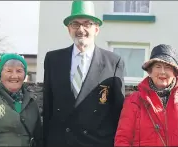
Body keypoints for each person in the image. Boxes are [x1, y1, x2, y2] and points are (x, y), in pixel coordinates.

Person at [42, 1, 125, 147]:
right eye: (75, 24)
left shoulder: (113, 62)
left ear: (96, 29)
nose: (81, 29)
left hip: (96, 142)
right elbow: (48, 106)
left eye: (87, 24)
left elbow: (117, 111)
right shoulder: (53, 59)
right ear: (69, 29)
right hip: (61, 141)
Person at [114, 44, 178, 146]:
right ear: (150, 71)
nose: (162, 72)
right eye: (158, 66)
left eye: (168, 67)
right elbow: (122, 139)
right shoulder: (134, 100)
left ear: (174, 73)